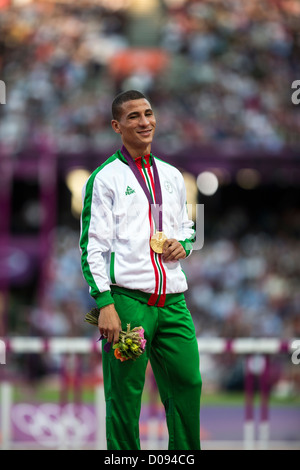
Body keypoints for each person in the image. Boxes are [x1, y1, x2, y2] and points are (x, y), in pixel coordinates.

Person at [79, 90, 202, 450]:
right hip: (129, 303)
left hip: (174, 303)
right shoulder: (104, 179)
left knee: (188, 385)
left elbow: (188, 225)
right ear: (117, 126)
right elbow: (92, 247)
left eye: (148, 113)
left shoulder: (172, 175)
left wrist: (185, 243)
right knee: (125, 397)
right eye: (133, 116)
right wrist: (105, 303)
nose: (145, 121)